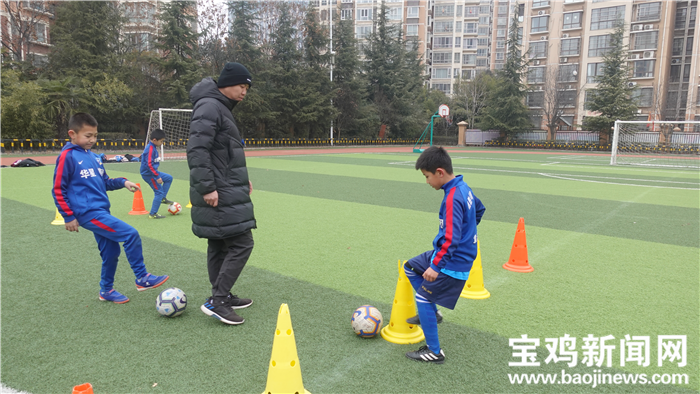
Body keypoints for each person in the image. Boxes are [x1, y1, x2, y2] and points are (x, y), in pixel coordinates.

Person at [52, 113, 169, 304]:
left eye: (95, 136)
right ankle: (142, 278)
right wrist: (68, 216)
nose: (92, 140)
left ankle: (106, 291)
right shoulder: (67, 156)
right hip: (88, 213)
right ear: (72, 134)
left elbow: (105, 182)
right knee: (130, 234)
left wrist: (123, 182)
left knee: (111, 252)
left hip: (101, 211)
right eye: (87, 136)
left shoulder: (94, 157)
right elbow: (58, 188)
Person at [187, 62, 255, 325]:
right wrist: (207, 187)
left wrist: (243, 179)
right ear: (226, 84)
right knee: (242, 243)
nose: (244, 91)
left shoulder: (218, 108)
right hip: (218, 188)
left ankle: (222, 296)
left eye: (247, 88)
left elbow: (224, 152)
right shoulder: (210, 106)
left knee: (218, 242)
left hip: (226, 183)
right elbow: (197, 150)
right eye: (242, 86)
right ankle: (218, 300)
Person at [404, 146, 485, 364]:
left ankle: (435, 352)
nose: (427, 181)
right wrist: (469, 229)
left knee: (422, 296)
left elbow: (451, 239)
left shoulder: (452, 198)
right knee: (410, 266)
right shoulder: (463, 187)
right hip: (449, 252)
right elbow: (479, 209)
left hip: (453, 260)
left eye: (427, 176)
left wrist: (436, 266)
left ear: (440, 172)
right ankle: (433, 313)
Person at [140, 128, 174, 219]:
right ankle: (153, 214)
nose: (162, 143)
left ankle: (163, 198)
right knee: (158, 191)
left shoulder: (153, 147)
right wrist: (157, 176)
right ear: (154, 140)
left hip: (153, 172)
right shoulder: (150, 149)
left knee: (169, 178)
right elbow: (149, 164)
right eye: (161, 141)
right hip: (149, 174)